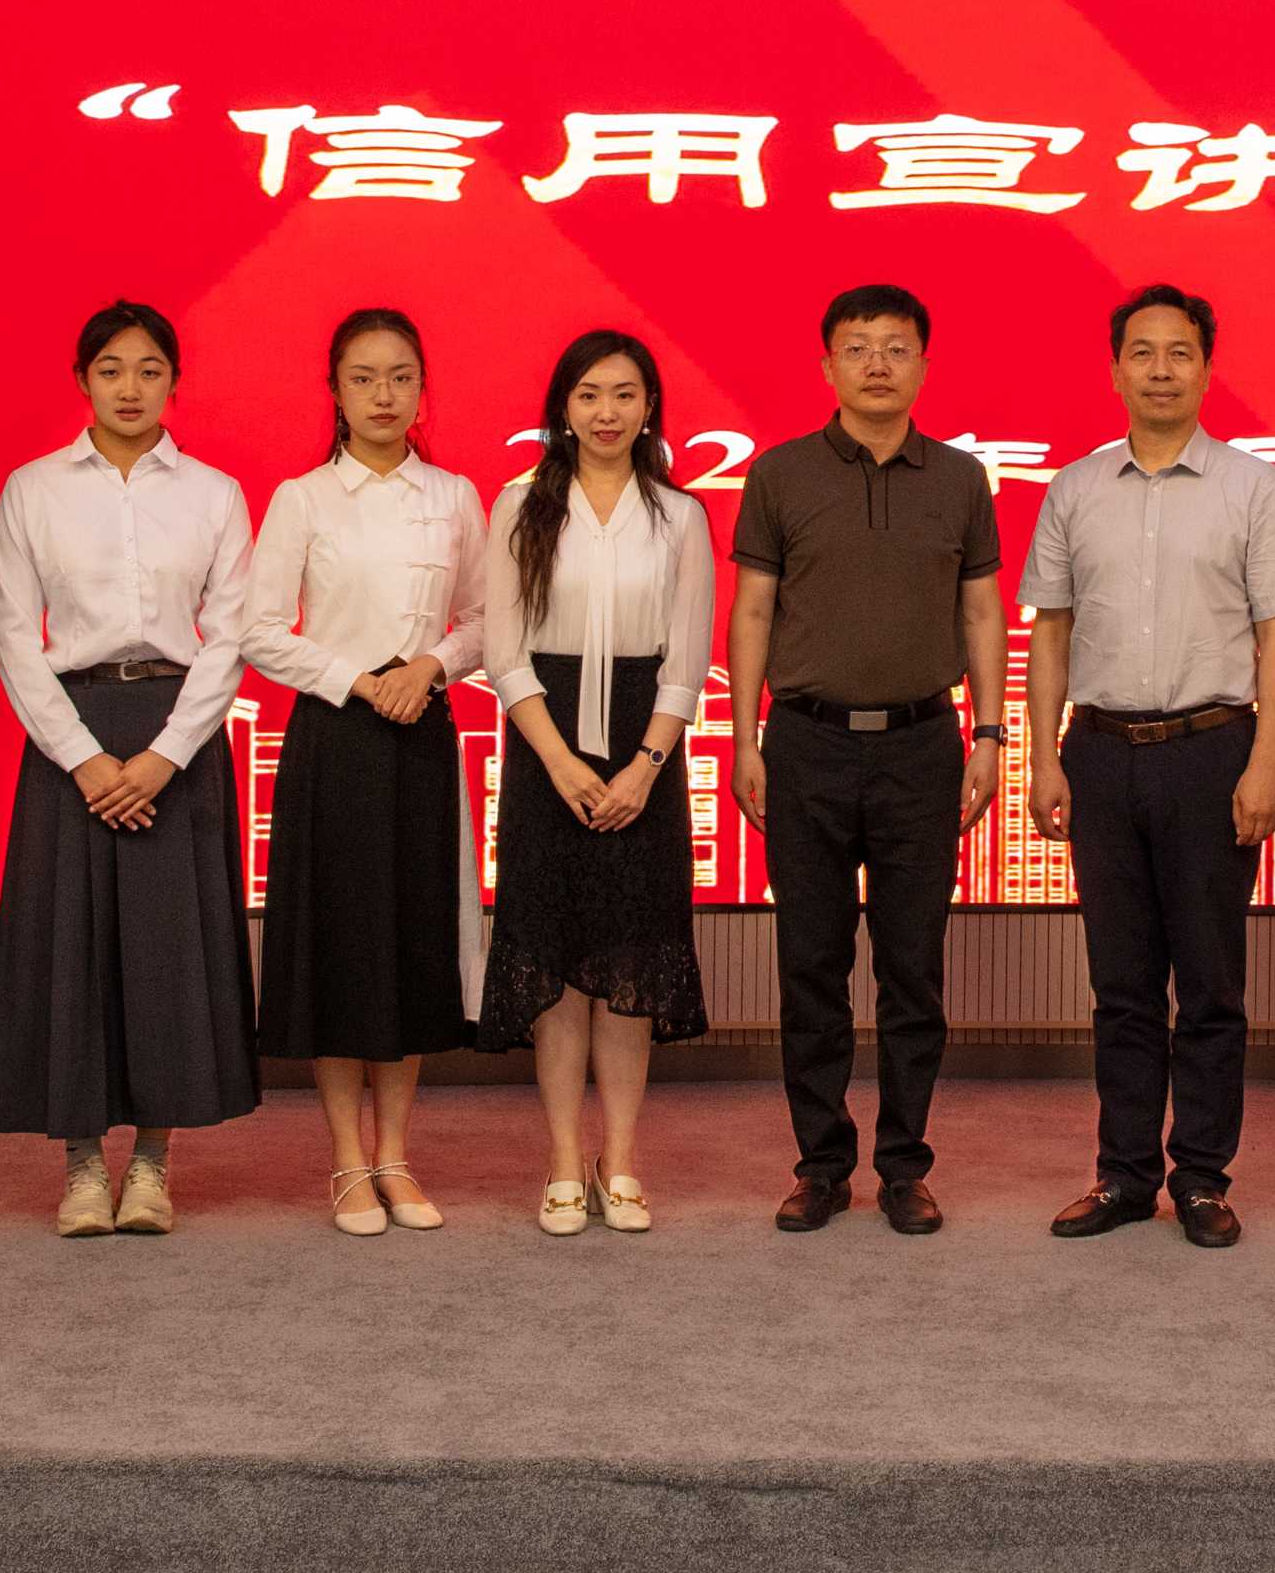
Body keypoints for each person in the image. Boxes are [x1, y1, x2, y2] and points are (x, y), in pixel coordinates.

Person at [1025, 284, 1275, 1249]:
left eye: (1178, 353)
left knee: (1212, 985)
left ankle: (1201, 1177)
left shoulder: (1251, 486)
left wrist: (1266, 763)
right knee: (1122, 985)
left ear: (1206, 369)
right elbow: (1051, 633)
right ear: (1115, 370)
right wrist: (1044, 760)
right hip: (1101, 754)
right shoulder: (1075, 488)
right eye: (1141, 353)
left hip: (1212, 751)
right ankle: (1124, 1175)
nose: (1160, 370)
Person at [0, 300, 263, 1238]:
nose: (129, 388)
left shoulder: (215, 494)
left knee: (167, 955)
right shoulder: (32, 490)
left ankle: (151, 1165)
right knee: (75, 952)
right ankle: (79, 1169)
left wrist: (166, 756)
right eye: (110, 370)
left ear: (174, 380)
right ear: (82, 381)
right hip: (73, 737)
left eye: (148, 370)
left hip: (178, 734)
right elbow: (14, 637)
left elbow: (229, 637)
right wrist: (88, 760)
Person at [727, 283, 1007, 1235]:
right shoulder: (780, 474)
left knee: (911, 969)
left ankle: (903, 1167)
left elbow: (982, 612)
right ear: (828, 366)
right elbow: (753, 610)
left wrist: (991, 735)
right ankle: (819, 1165)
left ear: (924, 364)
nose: (877, 363)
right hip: (805, 743)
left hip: (924, 747)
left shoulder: (960, 478)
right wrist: (744, 737)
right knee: (810, 965)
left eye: (895, 347)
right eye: (857, 347)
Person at [246, 307, 486, 1237]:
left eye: (401, 377)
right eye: (363, 378)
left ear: (423, 389)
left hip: (421, 729)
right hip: (335, 739)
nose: (384, 395)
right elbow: (260, 630)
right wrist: (357, 680)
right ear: (336, 392)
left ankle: (396, 1155)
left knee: (412, 941)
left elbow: (484, 619)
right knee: (342, 944)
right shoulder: (303, 498)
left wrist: (431, 667)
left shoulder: (454, 496)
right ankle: (347, 1160)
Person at [477, 329, 718, 1237]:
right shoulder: (519, 505)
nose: (606, 412)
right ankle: (561, 1163)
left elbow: (686, 659)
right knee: (554, 966)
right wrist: (560, 761)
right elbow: (504, 651)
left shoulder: (680, 515)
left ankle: (619, 1161)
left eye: (624, 394)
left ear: (649, 406)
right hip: (545, 747)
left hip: (645, 751)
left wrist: (647, 766)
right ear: (563, 408)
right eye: (588, 395)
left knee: (628, 962)